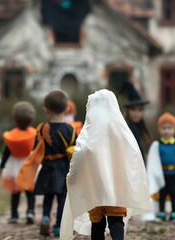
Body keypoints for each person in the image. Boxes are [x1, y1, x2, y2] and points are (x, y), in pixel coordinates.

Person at [60, 89, 150, 240]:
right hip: (116, 188)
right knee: (116, 220)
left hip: (93, 190)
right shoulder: (122, 133)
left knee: (97, 224)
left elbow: (79, 158)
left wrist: (73, 178)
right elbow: (132, 158)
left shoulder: (87, 137)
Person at [16, 90, 77, 237]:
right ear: (67, 109)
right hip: (63, 169)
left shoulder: (42, 128)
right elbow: (75, 151)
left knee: (48, 196)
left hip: (47, 167)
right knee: (62, 197)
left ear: (46, 110)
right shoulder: (71, 129)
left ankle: (45, 218)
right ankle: (58, 226)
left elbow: (36, 149)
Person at [0, 101, 37, 224]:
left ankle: (14, 214)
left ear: (15, 120)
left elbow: (6, 152)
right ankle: (30, 211)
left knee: (15, 193)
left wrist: (2, 165)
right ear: (31, 121)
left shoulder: (11, 136)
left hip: (14, 166)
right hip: (29, 165)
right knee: (30, 191)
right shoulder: (34, 134)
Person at [120, 81, 151, 160]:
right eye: (133, 109)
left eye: (140, 110)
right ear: (128, 110)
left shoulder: (139, 127)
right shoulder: (125, 128)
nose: (137, 113)